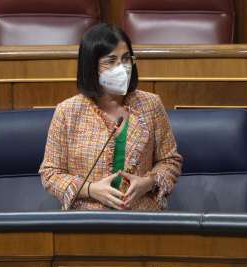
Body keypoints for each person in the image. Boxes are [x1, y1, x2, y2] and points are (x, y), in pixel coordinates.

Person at [39, 23, 182, 210]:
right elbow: (50, 174)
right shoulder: (67, 112)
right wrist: (90, 189)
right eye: (110, 61)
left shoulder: (150, 105)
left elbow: (170, 161)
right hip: (87, 217)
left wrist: (149, 182)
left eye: (125, 59)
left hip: (142, 215)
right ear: (91, 66)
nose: (121, 68)